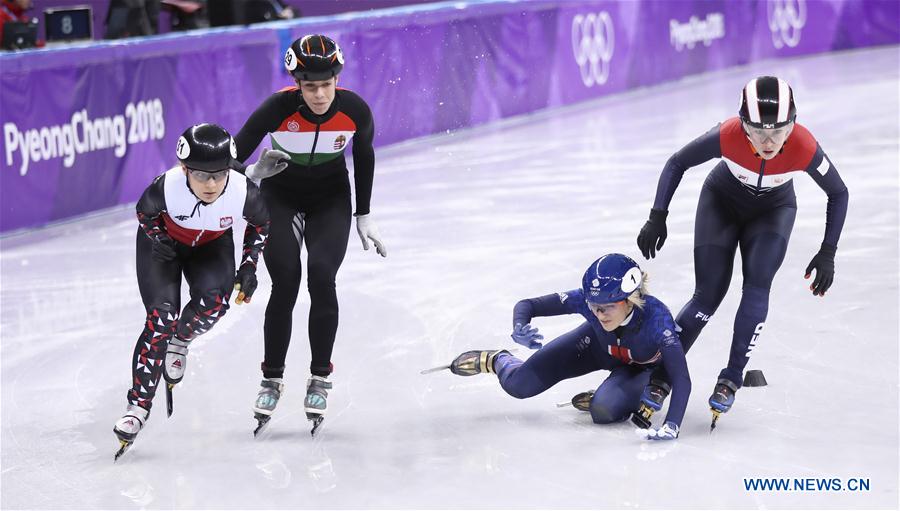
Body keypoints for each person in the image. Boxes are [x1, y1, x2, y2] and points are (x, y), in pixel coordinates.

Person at [635, 76, 849, 424]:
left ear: (792, 124)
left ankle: (732, 377)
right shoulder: (727, 134)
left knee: (757, 287)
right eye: (757, 130)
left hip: (773, 214)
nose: (768, 141)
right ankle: (662, 375)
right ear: (743, 125)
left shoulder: (805, 146)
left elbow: (839, 193)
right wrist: (657, 216)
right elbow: (677, 162)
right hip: (721, 202)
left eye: (778, 131)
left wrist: (828, 251)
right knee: (707, 297)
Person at [234, 34, 386, 435]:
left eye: (326, 85)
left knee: (322, 276)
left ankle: (320, 376)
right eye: (309, 86)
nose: (319, 95)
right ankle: (271, 377)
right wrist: (251, 173)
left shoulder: (354, 109)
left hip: (331, 198)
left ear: (338, 78)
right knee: (285, 282)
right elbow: (229, 158)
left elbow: (365, 155)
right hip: (280, 196)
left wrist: (363, 214)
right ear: (296, 84)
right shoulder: (276, 108)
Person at [112, 124, 270, 458]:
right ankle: (137, 408)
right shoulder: (165, 188)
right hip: (165, 248)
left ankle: (181, 341)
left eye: (219, 174)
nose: (211, 184)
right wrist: (158, 238)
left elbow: (260, 224)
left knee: (214, 305)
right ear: (184, 169)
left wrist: (250, 265)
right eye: (201, 175)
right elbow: (144, 212)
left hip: (210, 247)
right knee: (161, 319)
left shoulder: (243, 190)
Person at [445, 254, 691, 441]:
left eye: (607, 307)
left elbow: (681, 378)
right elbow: (528, 305)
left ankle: (612, 395)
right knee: (519, 385)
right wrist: (520, 327)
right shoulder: (586, 300)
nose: (599, 313)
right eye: (593, 306)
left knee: (603, 411)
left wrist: (672, 425)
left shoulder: (658, 321)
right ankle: (497, 359)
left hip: (637, 370)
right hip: (594, 347)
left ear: (630, 300)